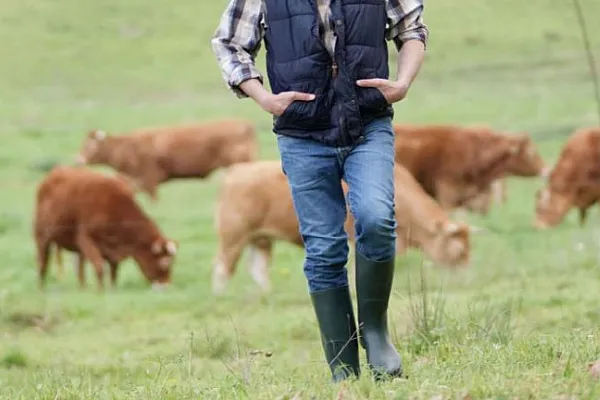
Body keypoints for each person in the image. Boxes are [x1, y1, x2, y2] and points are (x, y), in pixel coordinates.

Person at [211, 0, 428, 382]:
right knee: (325, 246)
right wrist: (264, 98)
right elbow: (229, 43)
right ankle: (343, 367)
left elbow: (411, 29)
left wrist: (404, 83)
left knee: (377, 218)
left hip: (368, 124)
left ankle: (375, 334)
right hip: (301, 135)